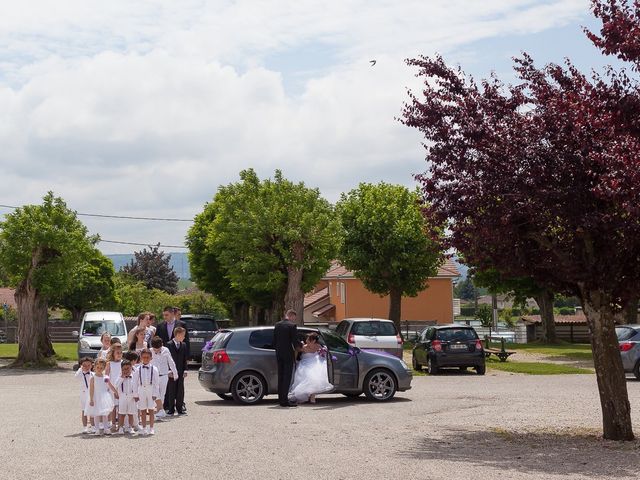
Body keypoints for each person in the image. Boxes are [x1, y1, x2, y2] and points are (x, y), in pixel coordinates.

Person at [288, 333, 334, 404]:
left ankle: (311, 396)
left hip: (308, 364)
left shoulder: (305, 347)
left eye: (308, 339)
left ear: (313, 340)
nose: (307, 340)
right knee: (313, 378)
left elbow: (296, 350)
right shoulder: (318, 346)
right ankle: (312, 396)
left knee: (310, 378)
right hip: (314, 363)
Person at [274, 310, 303, 408]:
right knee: (287, 377)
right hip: (288, 354)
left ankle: (280, 399)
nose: (294, 320)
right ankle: (284, 401)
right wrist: (301, 346)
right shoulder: (292, 326)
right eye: (294, 318)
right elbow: (295, 341)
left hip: (278, 353)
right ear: (291, 316)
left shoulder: (277, 325)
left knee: (281, 377)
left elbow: (274, 340)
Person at [85, 358, 117, 436]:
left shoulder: (105, 377)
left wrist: (115, 391)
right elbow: (91, 389)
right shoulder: (93, 378)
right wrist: (91, 399)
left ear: (104, 368)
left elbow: (110, 385)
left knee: (105, 414)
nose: (99, 369)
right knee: (96, 414)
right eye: (98, 367)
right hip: (96, 397)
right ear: (94, 367)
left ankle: (106, 429)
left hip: (104, 397)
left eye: (101, 368)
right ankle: (97, 429)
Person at [150, 336, 178, 419]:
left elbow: (171, 362)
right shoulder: (150, 351)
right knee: (155, 393)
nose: (157, 350)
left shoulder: (166, 350)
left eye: (158, 349)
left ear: (161, 345)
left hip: (164, 375)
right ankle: (160, 409)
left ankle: (159, 412)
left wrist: (175, 373)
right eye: (155, 349)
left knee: (162, 394)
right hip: (153, 376)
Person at [133, 349, 159, 435]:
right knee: (143, 410)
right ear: (141, 358)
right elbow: (135, 383)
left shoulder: (154, 369)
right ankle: (144, 428)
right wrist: (136, 394)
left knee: (151, 410)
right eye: (144, 357)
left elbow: (156, 383)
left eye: (148, 357)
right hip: (141, 390)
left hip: (150, 389)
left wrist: (155, 394)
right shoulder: (137, 369)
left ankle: (151, 428)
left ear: (151, 358)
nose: (146, 359)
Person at [166, 326, 188, 415]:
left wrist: (185, 370)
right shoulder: (169, 344)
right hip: (172, 371)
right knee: (171, 390)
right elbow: (166, 359)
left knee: (180, 390)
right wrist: (168, 371)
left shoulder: (183, 345)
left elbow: (184, 359)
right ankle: (171, 408)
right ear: (178, 335)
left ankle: (179, 408)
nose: (184, 337)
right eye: (183, 335)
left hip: (181, 371)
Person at [114, 360, 137, 435]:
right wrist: (122, 377)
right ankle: (121, 427)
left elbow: (137, 386)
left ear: (131, 368)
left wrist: (136, 395)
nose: (126, 370)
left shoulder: (134, 376)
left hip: (131, 396)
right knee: (121, 413)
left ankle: (131, 427)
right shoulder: (120, 376)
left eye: (128, 368)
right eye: (124, 369)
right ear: (121, 369)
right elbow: (116, 385)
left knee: (131, 413)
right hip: (122, 396)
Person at [105, 343, 123, 432]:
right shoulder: (109, 364)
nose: (119, 354)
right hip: (112, 388)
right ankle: (113, 424)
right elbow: (106, 377)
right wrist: (113, 389)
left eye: (120, 353)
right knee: (113, 407)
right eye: (117, 353)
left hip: (122, 388)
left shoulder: (123, 363)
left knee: (120, 407)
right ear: (113, 353)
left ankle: (120, 424)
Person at [74, 357, 94, 434]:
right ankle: (85, 427)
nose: (86, 367)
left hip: (92, 394)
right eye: (84, 365)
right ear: (81, 366)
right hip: (83, 394)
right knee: (84, 410)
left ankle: (93, 426)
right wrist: (80, 369)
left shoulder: (93, 374)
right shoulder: (80, 374)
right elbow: (76, 377)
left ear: (91, 365)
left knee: (92, 411)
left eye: (88, 365)